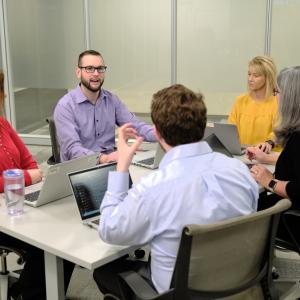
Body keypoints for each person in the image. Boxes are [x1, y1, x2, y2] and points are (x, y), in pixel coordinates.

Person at [93, 84, 259, 298]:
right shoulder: (240, 172)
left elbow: (109, 230)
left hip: (179, 294)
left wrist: (121, 167)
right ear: (203, 126)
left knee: (104, 271)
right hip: (238, 284)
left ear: (157, 132)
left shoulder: (153, 189)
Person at [0, 70, 73, 300]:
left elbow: (29, 161)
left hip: (17, 202)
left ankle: (42, 291)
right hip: (3, 216)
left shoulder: (3, 124)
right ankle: (31, 294)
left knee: (66, 231)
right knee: (48, 242)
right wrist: (28, 177)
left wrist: (27, 176)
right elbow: (29, 173)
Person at [54, 49, 156, 163]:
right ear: (78, 72)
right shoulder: (65, 106)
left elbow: (136, 126)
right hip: (79, 171)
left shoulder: (112, 100)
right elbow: (72, 149)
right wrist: (105, 159)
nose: (96, 74)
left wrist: (163, 133)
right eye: (89, 69)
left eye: (100, 69)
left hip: (110, 164)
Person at [247, 66, 300, 215]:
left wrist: (270, 181)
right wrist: (266, 158)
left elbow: (297, 189)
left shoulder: (298, 138)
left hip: (290, 217)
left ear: (290, 97)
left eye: (277, 92)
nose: (275, 96)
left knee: (242, 207)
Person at [228, 55, 279, 152]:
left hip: (269, 158)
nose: (250, 79)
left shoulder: (277, 102)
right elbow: (230, 131)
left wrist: (269, 143)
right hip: (243, 157)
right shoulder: (240, 101)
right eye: (249, 74)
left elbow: (280, 132)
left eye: (256, 76)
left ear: (268, 77)